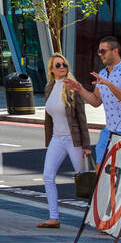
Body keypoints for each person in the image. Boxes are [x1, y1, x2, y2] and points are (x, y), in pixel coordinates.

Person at [35, 53, 91, 229]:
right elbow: (49, 117)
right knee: (48, 176)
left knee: (86, 180)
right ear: (51, 69)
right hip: (57, 139)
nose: (62, 68)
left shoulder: (73, 87)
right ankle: (54, 218)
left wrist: (86, 146)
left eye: (64, 64)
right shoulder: (49, 88)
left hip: (74, 140)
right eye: (58, 65)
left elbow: (82, 117)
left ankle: (101, 218)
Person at [65, 35, 121, 165]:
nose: (100, 54)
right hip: (108, 132)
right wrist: (80, 89)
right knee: (100, 173)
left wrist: (109, 84)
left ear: (115, 51)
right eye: (99, 51)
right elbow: (95, 101)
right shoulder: (102, 73)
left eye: (103, 51)